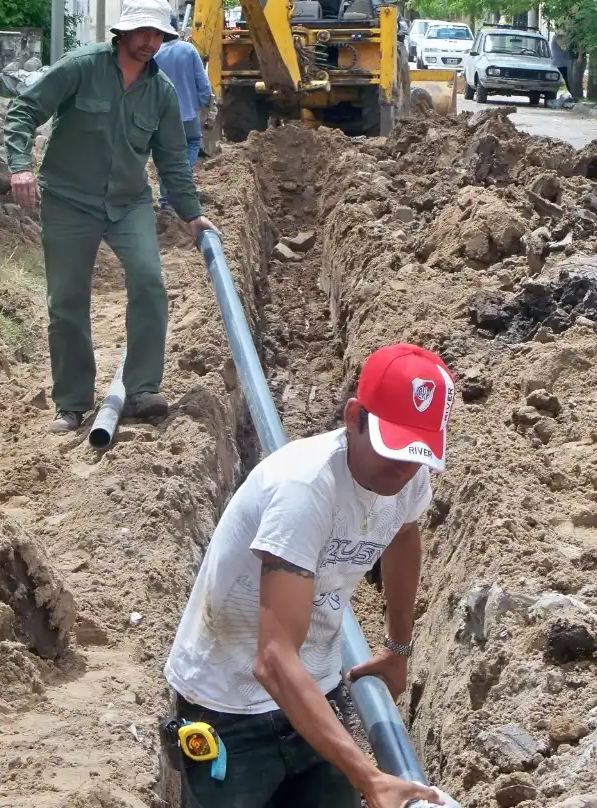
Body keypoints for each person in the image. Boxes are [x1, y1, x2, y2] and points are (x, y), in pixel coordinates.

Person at [165, 343, 455, 808]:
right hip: (229, 706)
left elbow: (403, 533)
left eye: (419, 453)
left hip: (317, 688)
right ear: (355, 417)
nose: (405, 468)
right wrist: (369, 776)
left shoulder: (408, 475)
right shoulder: (303, 490)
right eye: (394, 447)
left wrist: (397, 648)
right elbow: (273, 661)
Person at [4, 0, 218, 434]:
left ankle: (141, 388)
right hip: (68, 199)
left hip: (128, 203)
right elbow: (24, 109)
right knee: (66, 302)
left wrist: (192, 214)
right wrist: (20, 167)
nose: (149, 42)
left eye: (158, 34)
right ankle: (72, 402)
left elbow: (173, 162)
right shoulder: (82, 68)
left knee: (148, 282)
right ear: (123, 31)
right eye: (142, 31)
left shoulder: (161, 92)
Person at [153, 15, 213, 212]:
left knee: (164, 157)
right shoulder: (188, 50)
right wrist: (205, 105)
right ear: (177, 29)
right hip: (187, 114)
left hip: (161, 117)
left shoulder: (153, 54)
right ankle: (182, 179)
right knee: (193, 142)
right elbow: (203, 84)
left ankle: (166, 203)